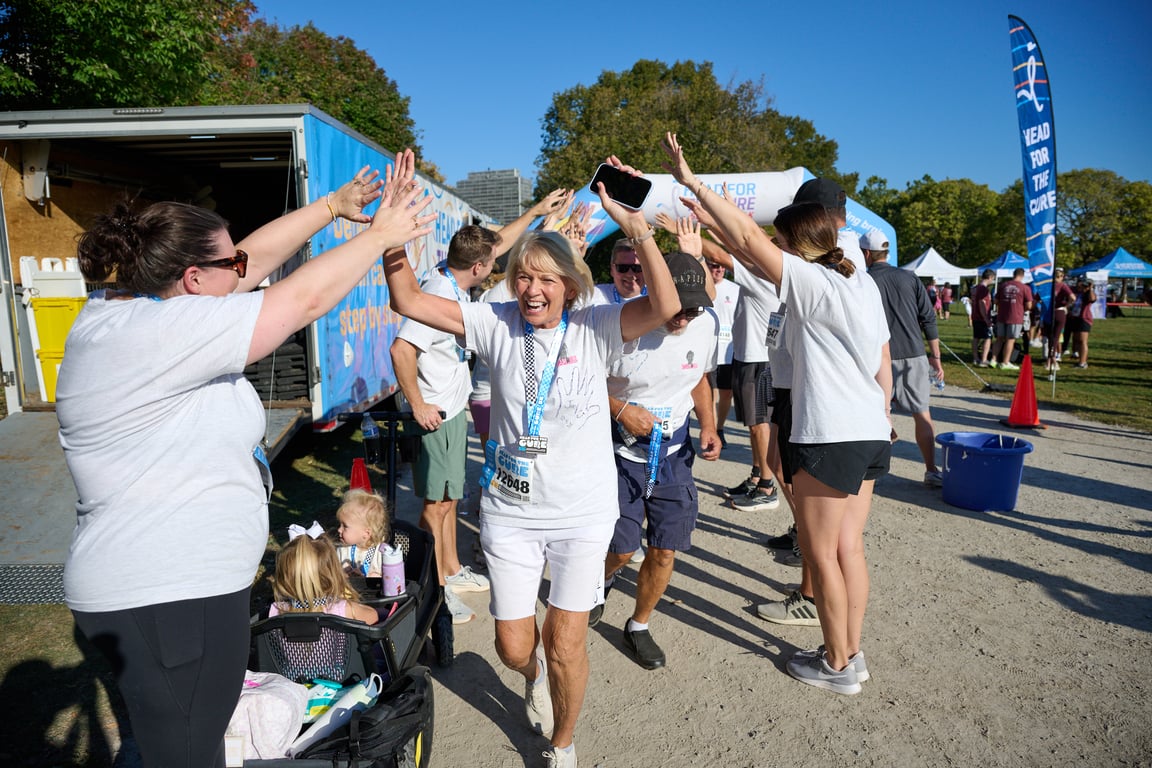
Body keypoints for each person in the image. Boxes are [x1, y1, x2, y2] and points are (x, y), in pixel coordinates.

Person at [56, 150, 433, 767]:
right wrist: (383, 237)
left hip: (175, 588)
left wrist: (331, 209)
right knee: (184, 754)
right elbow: (302, 300)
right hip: (169, 592)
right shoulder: (154, 334)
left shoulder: (141, 309)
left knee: (179, 746)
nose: (243, 265)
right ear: (192, 280)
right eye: (226, 262)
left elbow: (250, 260)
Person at [380, 153, 679, 768]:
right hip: (511, 514)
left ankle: (562, 744)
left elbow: (668, 309)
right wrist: (391, 239)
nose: (532, 289)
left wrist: (637, 227)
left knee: (568, 640)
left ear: (569, 283)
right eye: (523, 277)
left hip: (581, 514)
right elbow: (408, 299)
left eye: (546, 279)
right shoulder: (493, 322)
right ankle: (534, 674)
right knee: (515, 645)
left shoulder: (597, 325)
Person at [666, 133, 891, 697]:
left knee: (821, 555)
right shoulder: (860, 282)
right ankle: (852, 654)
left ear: (794, 247)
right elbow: (744, 248)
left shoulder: (811, 284)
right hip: (868, 428)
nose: (772, 248)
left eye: (780, 243)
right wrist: (705, 220)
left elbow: (745, 238)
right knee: (849, 550)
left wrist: (694, 183)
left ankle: (837, 664)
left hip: (829, 431)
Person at [591, 251, 721, 669]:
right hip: (619, 453)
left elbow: (699, 377)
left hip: (673, 456)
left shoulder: (704, 327)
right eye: (677, 306)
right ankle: (603, 579)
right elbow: (581, 382)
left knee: (664, 551)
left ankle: (639, 625)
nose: (684, 318)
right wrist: (621, 410)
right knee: (624, 547)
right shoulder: (620, 324)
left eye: (693, 308)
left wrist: (710, 425)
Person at [390, 224, 497, 624]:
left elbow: (498, 240)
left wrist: (539, 211)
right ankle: (433, 593)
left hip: (451, 410)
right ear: (480, 266)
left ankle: (451, 570)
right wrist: (417, 404)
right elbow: (401, 349)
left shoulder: (452, 280)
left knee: (449, 499)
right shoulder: (436, 293)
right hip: (434, 414)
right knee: (434, 508)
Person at [861, 231, 944, 487]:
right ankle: (931, 470)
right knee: (922, 414)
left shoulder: (863, 280)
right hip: (913, 353)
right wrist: (936, 357)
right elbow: (928, 318)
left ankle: (870, 471)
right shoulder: (909, 277)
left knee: (872, 413)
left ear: (866, 254)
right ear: (886, 252)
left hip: (875, 356)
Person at [271, 523, 380, 625]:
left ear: (283, 578)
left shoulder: (276, 611)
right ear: (333, 574)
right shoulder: (345, 609)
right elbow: (374, 616)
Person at [336, 488, 390, 579]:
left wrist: (371, 577)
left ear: (366, 533)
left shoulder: (382, 554)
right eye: (340, 525)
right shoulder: (342, 550)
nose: (339, 530)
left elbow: (391, 581)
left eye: (345, 526)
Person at [990, 268, 1033, 370]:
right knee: (1010, 339)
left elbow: (995, 301)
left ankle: (993, 360)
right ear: (1022, 276)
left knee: (999, 339)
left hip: (1002, 315)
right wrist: (1022, 308)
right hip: (1015, 316)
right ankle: (1005, 362)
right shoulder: (1024, 288)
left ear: (1013, 274)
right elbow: (1029, 305)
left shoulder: (1003, 285)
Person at [590, 237, 647, 305]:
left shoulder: (658, 296)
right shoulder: (594, 296)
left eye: (637, 268)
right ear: (612, 270)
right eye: (622, 268)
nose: (630, 274)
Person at [1047, 267, 1075, 371]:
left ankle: (1049, 359)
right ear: (1062, 276)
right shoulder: (1063, 285)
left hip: (1048, 312)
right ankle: (1052, 360)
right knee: (1056, 338)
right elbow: (1073, 298)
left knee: (1049, 338)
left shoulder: (1048, 286)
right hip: (1059, 312)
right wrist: (1067, 306)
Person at [1067, 278, 1097, 368]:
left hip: (1084, 319)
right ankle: (1079, 359)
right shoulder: (1079, 293)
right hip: (1076, 318)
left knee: (1083, 341)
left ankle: (1083, 363)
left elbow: (1092, 299)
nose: (1082, 286)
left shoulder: (1089, 294)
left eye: (1085, 285)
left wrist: (1090, 288)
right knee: (1077, 340)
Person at [970, 269, 996, 366]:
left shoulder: (976, 288)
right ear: (989, 277)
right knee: (987, 338)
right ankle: (983, 359)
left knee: (976, 337)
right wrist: (986, 319)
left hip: (975, 316)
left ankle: (975, 358)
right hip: (981, 317)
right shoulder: (983, 289)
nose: (992, 281)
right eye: (992, 279)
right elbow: (981, 303)